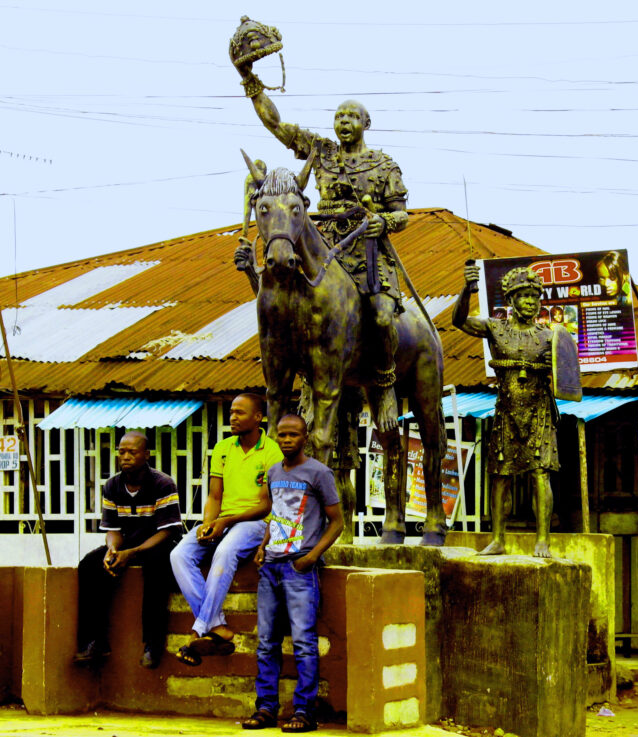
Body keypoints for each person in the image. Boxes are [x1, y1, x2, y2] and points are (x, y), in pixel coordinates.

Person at [236, 64, 409, 433]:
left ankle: (385, 381)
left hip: (366, 253)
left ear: (367, 122)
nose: (344, 121)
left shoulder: (384, 165)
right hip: (321, 251)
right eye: (338, 116)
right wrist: (251, 81)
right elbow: (276, 125)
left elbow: (402, 215)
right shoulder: (321, 151)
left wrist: (384, 222)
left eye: (352, 116)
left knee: (380, 315)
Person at [242, 414, 343, 733]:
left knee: (303, 641)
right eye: (281, 435)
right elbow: (277, 514)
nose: (286, 440)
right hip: (270, 567)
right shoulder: (273, 472)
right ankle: (266, 708)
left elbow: (337, 522)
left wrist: (312, 556)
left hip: (300, 567)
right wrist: (262, 546)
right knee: (267, 641)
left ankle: (304, 711)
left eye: (293, 435)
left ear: (305, 437)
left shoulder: (319, 472)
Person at [452, 265, 559, 558]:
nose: (530, 302)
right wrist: (466, 289)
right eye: (523, 296)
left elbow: (568, 376)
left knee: (541, 474)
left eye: (535, 297)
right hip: (506, 411)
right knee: (500, 475)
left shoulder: (551, 337)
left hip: (539, 411)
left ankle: (542, 540)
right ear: (511, 301)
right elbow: (458, 320)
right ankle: (498, 537)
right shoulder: (495, 329)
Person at [172, 393, 283, 666]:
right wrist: (209, 523)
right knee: (179, 555)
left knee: (225, 551)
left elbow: (266, 504)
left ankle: (197, 630)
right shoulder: (223, 448)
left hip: (256, 523)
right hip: (224, 521)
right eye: (231, 412)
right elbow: (214, 496)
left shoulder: (272, 452)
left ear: (258, 417)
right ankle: (216, 626)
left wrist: (226, 522)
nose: (233, 417)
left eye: (240, 413)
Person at [74, 431, 181, 668]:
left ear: (146, 454)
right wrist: (112, 550)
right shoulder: (112, 485)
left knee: (156, 567)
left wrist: (131, 554)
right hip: (129, 544)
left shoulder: (163, 483)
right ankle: (95, 642)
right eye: (121, 451)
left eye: (132, 452)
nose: (125, 457)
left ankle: (153, 645)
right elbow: (112, 530)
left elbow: (167, 532)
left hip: (159, 544)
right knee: (90, 565)